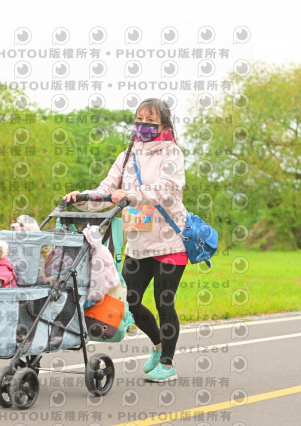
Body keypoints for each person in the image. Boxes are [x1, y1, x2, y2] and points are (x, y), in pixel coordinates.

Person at [63, 98, 187, 382]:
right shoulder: (127, 155)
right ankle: (158, 345)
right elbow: (107, 190)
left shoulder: (171, 152)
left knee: (164, 302)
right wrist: (81, 198)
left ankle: (168, 363)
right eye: (139, 119)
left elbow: (168, 188)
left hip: (170, 241)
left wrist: (133, 195)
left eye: (150, 121)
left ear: (164, 125)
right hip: (139, 241)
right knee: (130, 300)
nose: (143, 125)